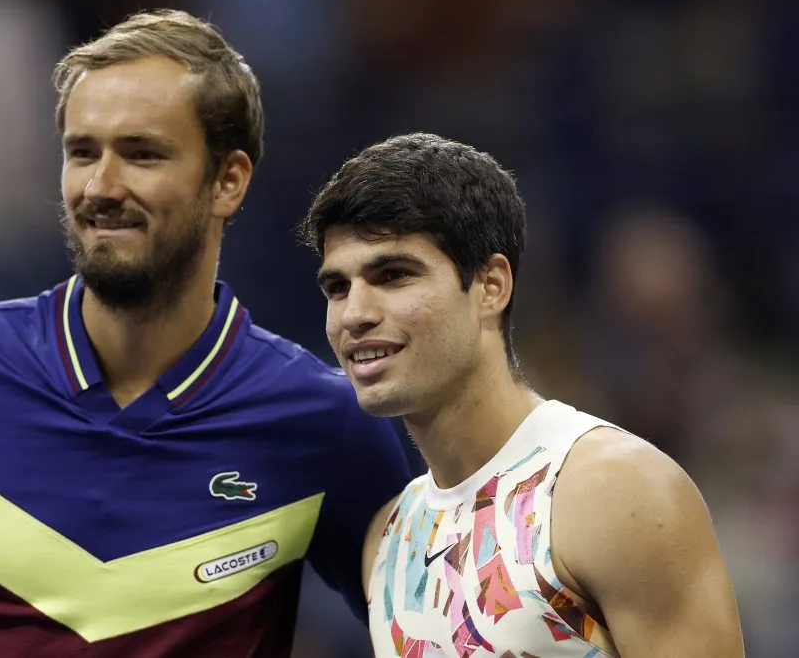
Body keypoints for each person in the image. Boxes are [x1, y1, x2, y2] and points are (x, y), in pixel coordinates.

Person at [0, 10, 411, 658]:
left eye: (141, 153)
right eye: (83, 152)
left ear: (228, 181)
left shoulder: (323, 418)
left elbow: (435, 634)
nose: (101, 186)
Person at [299, 133, 745, 657]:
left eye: (394, 275)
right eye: (338, 288)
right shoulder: (387, 540)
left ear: (491, 286)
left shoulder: (615, 492)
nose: (354, 314)